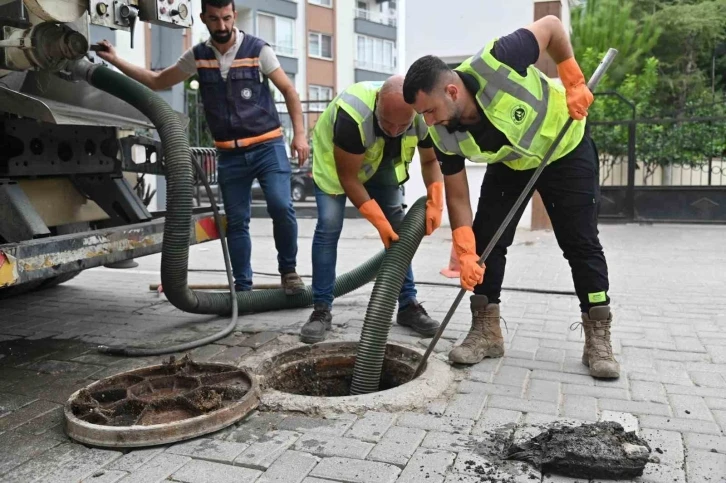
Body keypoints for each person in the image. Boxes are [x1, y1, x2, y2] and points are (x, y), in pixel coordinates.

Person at [402, 15, 619, 379]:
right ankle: (486, 331)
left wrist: (572, 79)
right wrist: (465, 249)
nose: (429, 120)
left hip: (564, 146)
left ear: (451, 92)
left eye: (429, 110)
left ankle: (598, 336)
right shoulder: (442, 134)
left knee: (580, 242)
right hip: (513, 161)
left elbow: (550, 26)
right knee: (487, 242)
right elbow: (457, 197)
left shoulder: (498, 59)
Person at [94, 0, 308, 294]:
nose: (222, 26)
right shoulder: (198, 56)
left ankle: (289, 273)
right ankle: (243, 288)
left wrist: (300, 136)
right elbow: (157, 81)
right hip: (230, 154)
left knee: (281, 206)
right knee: (236, 221)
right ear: (203, 18)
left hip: (266, 147)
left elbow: (289, 91)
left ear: (233, 15)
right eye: (215, 19)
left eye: (227, 18)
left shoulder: (258, 50)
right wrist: (115, 59)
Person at [300, 75, 445, 344]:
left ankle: (408, 305)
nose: (393, 130)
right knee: (329, 227)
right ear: (378, 102)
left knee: (400, 232)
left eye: (401, 125)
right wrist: (378, 222)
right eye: (387, 122)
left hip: (382, 163)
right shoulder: (352, 114)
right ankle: (321, 309)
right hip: (337, 167)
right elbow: (349, 178)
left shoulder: (422, 114)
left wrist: (436, 199)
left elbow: (429, 161)